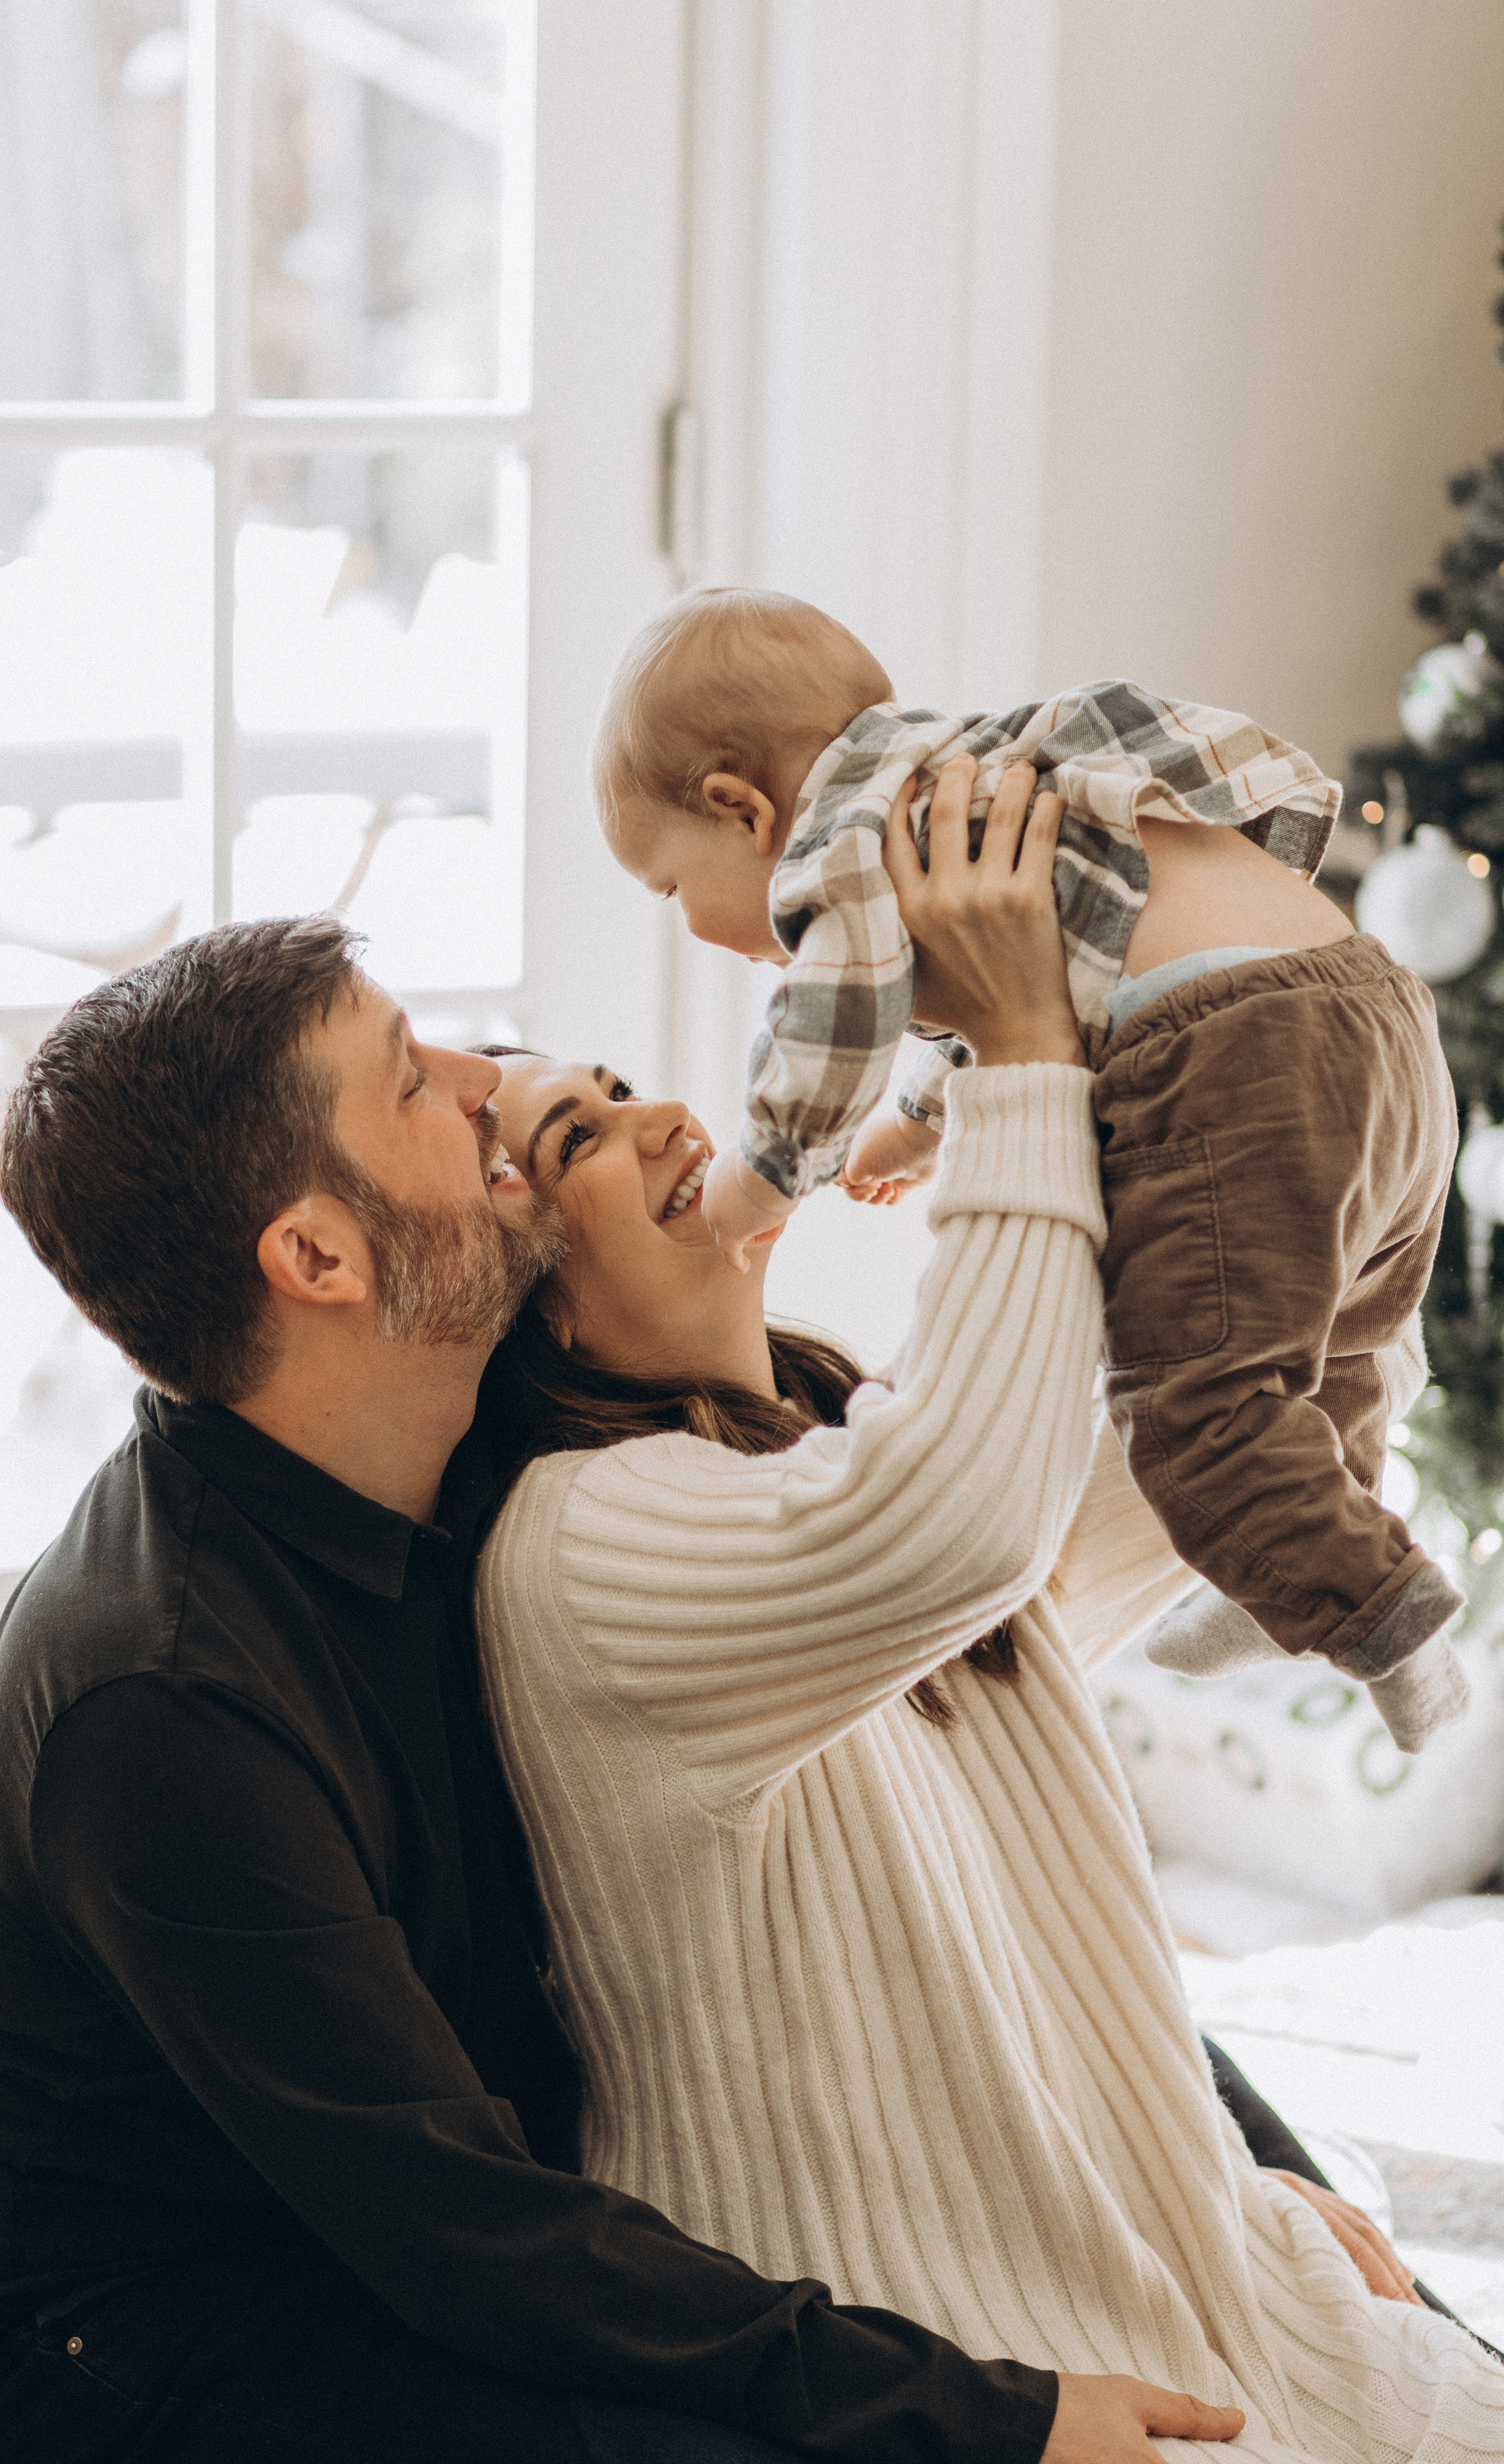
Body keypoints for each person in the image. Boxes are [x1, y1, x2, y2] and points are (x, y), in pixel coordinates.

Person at [0, 905, 1334, 2464]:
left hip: (464, 2188)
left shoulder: (491, 1447)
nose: (486, 1093)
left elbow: (979, 1860)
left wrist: (1253, 2181)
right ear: (318, 1252)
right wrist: (985, 2429)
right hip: (159, 2337)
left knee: (1313, 2369)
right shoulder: (160, 1694)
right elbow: (456, 2232)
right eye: (417, 1079)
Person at [472, 758, 1504, 2464]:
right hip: (973, 2377)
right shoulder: (580, 1548)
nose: (670, 1116)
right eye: (576, 1139)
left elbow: (1248, 1431)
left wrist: (1293, 1028)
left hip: (1187, 2275)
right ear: (534, 1310)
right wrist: (1021, 1049)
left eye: (613, 1081)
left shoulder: (826, 1458)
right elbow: (971, 1510)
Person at [592, 587, 1464, 1752]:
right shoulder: (970, 775)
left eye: (670, 887)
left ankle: (1386, 1623)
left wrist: (759, 1187)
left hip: (1235, 1058)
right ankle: (1284, 1577)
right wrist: (920, 1121)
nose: (693, 921)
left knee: (1199, 1408)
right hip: (1372, 1001)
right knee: (1335, 1344)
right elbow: (1050, 961)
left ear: (741, 809)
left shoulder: (833, 847)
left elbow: (830, 1021)